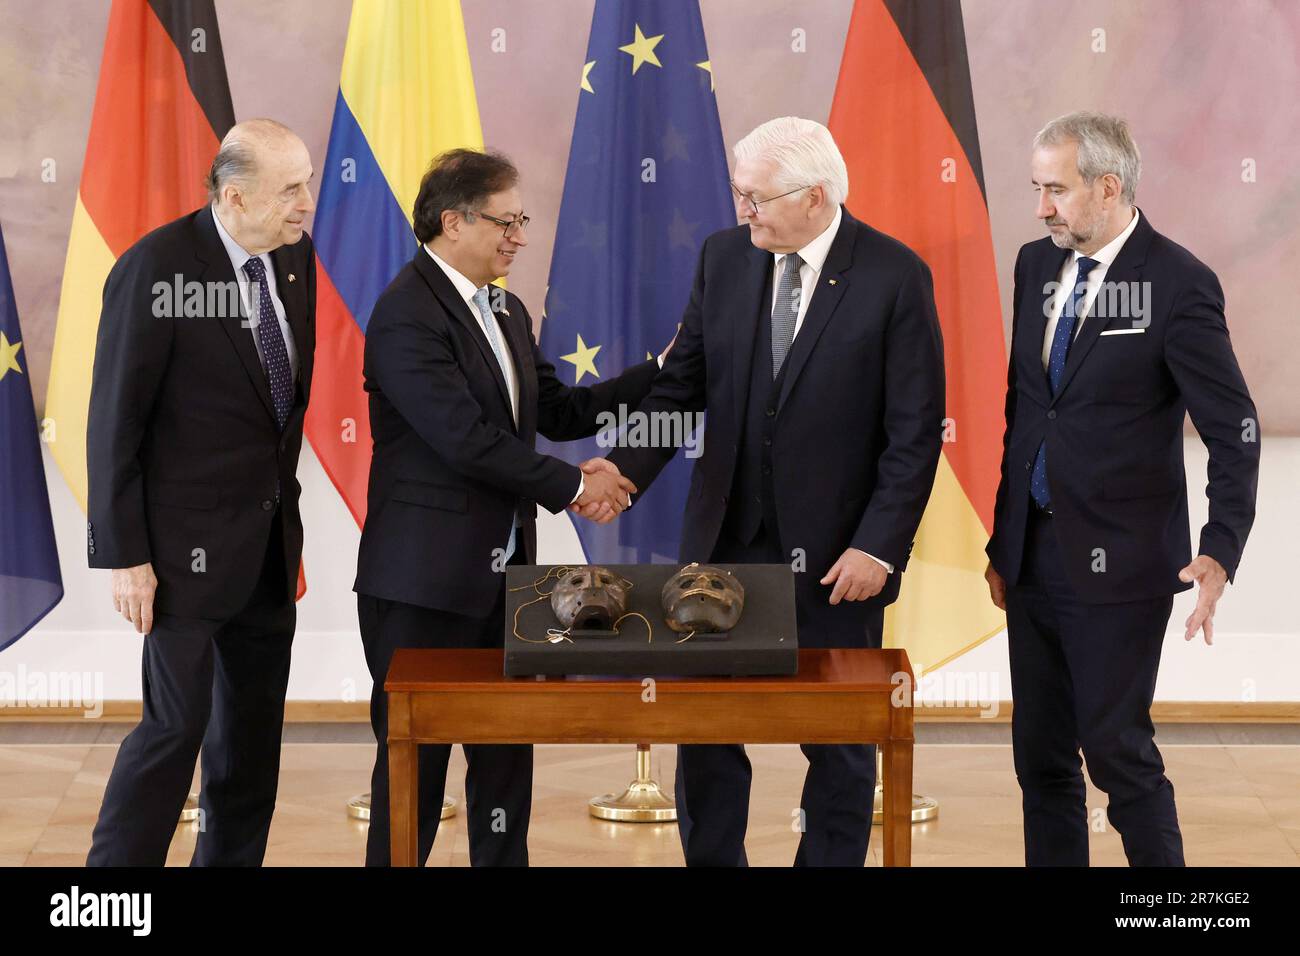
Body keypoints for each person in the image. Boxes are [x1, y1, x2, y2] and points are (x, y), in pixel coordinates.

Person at [597, 117, 946, 866]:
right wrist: (626, 471)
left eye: (755, 198)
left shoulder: (894, 275)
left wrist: (878, 547)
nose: (743, 211)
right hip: (721, 547)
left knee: (841, 746)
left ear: (815, 196)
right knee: (707, 736)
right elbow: (681, 388)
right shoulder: (725, 259)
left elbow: (914, 434)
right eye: (739, 194)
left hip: (838, 561)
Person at [355, 148, 666, 866]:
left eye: (522, 221)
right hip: (421, 586)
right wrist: (573, 487)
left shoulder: (505, 307)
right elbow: (463, 440)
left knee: (504, 769)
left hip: (508, 584)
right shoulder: (404, 313)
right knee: (414, 772)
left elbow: (556, 410)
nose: (520, 237)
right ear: (452, 221)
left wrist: (659, 372)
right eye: (508, 221)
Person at [985, 111, 1260, 866]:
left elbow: (1234, 428)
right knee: (1040, 762)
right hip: (1031, 560)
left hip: (1122, 563)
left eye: (1056, 190)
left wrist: (1220, 549)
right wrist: (1003, 539)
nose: (1041, 207)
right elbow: (1028, 408)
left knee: (1116, 755)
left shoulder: (1179, 284)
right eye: (1036, 188)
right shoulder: (1035, 266)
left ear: (1108, 188)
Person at [86, 119, 317, 865]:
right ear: (234, 194)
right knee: (173, 731)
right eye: (291, 189)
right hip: (177, 559)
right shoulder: (158, 267)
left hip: (268, 552)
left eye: (307, 183)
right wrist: (125, 556)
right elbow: (115, 421)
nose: (306, 202)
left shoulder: (293, 260)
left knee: (250, 742)